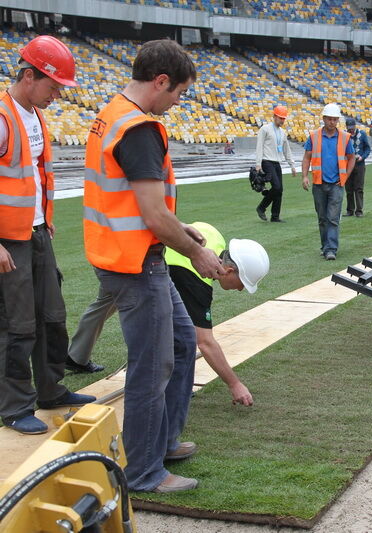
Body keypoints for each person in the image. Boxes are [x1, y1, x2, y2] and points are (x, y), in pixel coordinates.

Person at [83, 39, 223, 493]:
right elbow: (151, 214)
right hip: (135, 263)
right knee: (152, 365)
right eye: (178, 93)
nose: (176, 102)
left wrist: (180, 225)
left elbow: (138, 201)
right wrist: (197, 251)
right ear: (160, 81)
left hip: (126, 256)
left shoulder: (113, 112)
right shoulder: (140, 128)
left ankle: (162, 441)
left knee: (182, 345)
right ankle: (143, 470)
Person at [0, 36, 97, 436]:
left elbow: (35, 177)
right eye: (53, 86)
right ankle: (15, 405)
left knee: (52, 317)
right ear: (28, 76)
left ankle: (51, 390)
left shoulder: (35, 116)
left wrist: (45, 217)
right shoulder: (4, 117)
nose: (58, 94)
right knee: (17, 325)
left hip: (37, 232)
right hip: (10, 242)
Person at [69, 222, 270, 407]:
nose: (241, 289)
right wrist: (235, 384)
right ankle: (159, 388)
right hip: (138, 267)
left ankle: (76, 356)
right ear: (229, 269)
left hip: (125, 254)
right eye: (243, 283)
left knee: (104, 304)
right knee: (165, 330)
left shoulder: (214, 236)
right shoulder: (196, 281)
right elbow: (205, 342)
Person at [301, 103, 355, 261]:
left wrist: (345, 175)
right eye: (329, 119)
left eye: (334, 119)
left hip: (336, 184)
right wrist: (304, 176)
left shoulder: (345, 138)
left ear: (337, 120)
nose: (332, 122)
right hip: (318, 183)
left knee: (332, 217)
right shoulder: (314, 136)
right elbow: (307, 157)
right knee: (322, 217)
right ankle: (325, 246)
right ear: (324, 119)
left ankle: (331, 248)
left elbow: (351, 158)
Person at [255, 105, 296, 222]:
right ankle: (261, 207)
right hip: (267, 161)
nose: (282, 120)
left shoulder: (282, 132)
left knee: (280, 190)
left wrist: (292, 164)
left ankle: (275, 216)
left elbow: (286, 149)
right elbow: (259, 146)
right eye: (280, 118)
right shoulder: (265, 129)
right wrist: (258, 164)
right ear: (274, 117)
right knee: (277, 187)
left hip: (277, 162)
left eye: (283, 118)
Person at [343, 117, 371, 217]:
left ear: (355, 126)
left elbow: (367, 148)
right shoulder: (344, 136)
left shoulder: (362, 134)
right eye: (349, 128)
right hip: (347, 165)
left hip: (359, 164)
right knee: (349, 188)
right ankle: (350, 210)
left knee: (359, 188)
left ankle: (359, 211)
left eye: (352, 127)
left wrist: (362, 157)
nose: (350, 130)